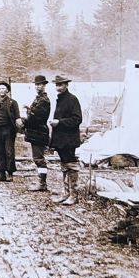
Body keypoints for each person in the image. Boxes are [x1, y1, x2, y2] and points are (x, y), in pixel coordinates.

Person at [48, 74, 83, 205]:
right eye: (57, 85)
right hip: (61, 138)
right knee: (64, 165)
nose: (59, 87)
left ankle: (74, 195)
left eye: (61, 84)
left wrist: (59, 122)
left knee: (71, 165)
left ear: (66, 85)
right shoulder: (60, 99)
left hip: (69, 139)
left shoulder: (72, 99)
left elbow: (77, 119)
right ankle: (66, 193)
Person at [22, 74, 52, 192]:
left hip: (39, 132)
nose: (38, 86)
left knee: (39, 158)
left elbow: (37, 118)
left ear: (44, 86)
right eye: (37, 85)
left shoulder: (44, 100)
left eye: (40, 84)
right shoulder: (39, 99)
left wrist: (24, 120)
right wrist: (29, 110)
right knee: (37, 157)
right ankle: (41, 182)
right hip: (36, 132)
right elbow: (34, 114)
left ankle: (42, 183)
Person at [0, 80, 21, 182]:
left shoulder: (13, 102)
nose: (1, 90)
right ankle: (1, 173)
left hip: (9, 130)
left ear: (7, 90)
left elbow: (17, 117)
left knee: (9, 151)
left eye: (3, 88)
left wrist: (18, 127)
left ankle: (10, 173)